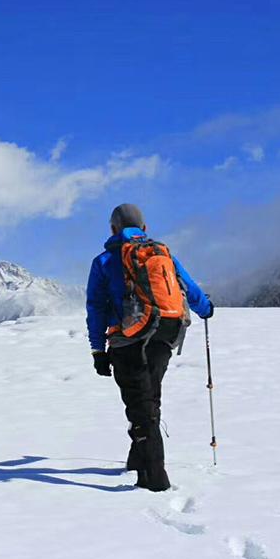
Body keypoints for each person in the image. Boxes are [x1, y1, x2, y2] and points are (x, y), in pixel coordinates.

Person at [86, 203, 213, 491]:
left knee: (140, 406)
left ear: (113, 229)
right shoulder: (163, 254)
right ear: (143, 229)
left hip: (128, 340)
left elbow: (95, 308)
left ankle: (154, 479)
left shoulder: (105, 261)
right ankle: (137, 460)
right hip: (166, 335)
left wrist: (97, 350)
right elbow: (190, 289)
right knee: (148, 399)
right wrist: (206, 309)